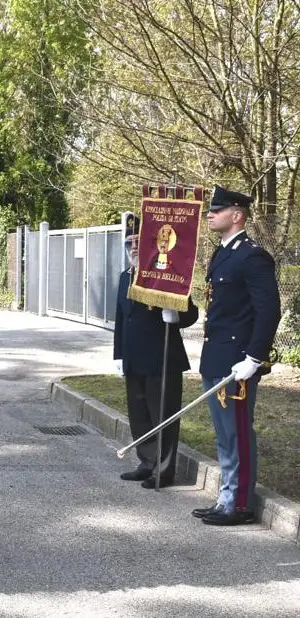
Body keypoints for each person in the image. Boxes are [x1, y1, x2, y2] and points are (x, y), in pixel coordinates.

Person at [193, 186, 280, 526]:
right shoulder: (222, 253)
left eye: (217, 210)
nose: (210, 214)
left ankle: (239, 504)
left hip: (238, 363)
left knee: (238, 433)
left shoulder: (253, 255)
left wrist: (255, 358)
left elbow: (269, 310)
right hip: (216, 357)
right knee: (223, 433)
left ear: (237, 215)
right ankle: (226, 497)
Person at [114, 215, 198, 489]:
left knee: (163, 415)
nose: (134, 247)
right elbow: (121, 320)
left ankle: (164, 470)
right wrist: (119, 355)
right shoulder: (125, 276)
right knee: (140, 415)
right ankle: (147, 462)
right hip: (134, 357)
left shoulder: (166, 273)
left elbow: (191, 313)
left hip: (162, 357)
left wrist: (174, 314)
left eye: (138, 241)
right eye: (129, 242)